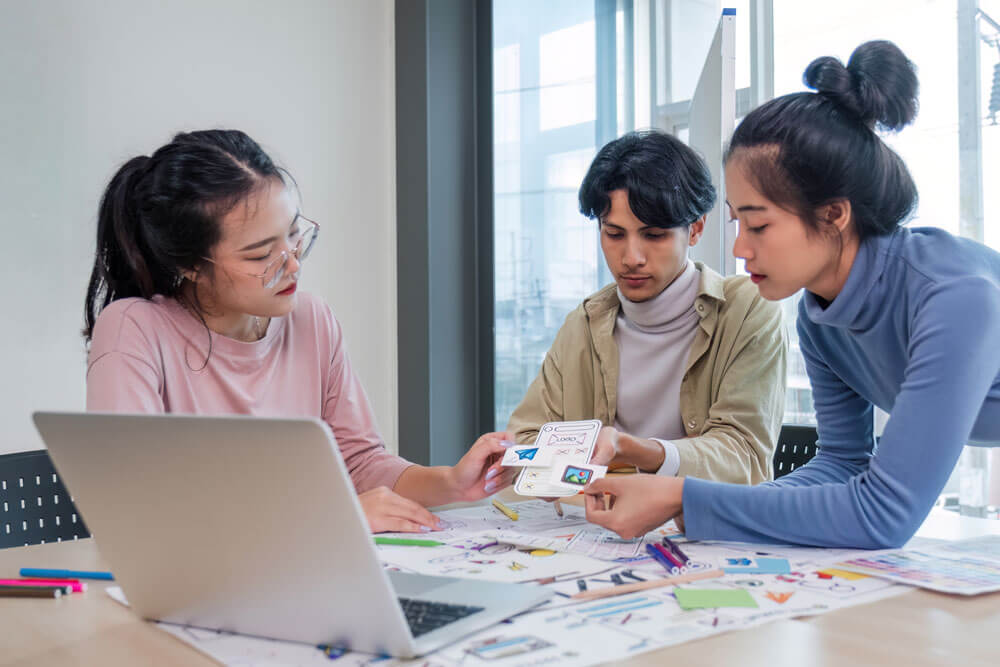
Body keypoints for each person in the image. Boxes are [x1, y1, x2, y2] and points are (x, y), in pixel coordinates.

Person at [584, 40, 1000, 548]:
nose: (739, 249)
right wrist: (694, 510)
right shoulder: (818, 316)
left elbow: (886, 512)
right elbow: (839, 464)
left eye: (757, 225)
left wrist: (686, 499)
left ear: (833, 215)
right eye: (737, 222)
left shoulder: (955, 298)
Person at [84, 129, 517, 534]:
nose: (293, 264)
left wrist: (452, 483)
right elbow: (139, 505)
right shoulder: (134, 330)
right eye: (260, 256)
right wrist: (332, 518)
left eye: (293, 235)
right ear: (190, 266)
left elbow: (358, 464)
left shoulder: (312, 320)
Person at [506, 130, 786, 485]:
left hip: (700, 530)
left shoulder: (747, 310)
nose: (631, 258)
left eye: (654, 235)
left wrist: (637, 452)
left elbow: (743, 458)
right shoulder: (585, 323)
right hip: (593, 529)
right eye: (614, 234)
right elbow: (526, 441)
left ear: (695, 229)